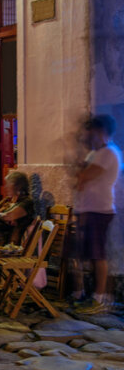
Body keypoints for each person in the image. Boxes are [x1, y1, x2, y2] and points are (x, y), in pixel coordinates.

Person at [72, 115, 122, 314]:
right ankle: (92, 295)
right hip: (88, 209)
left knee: (98, 254)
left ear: (101, 132)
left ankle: (100, 298)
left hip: (99, 210)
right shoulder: (95, 154)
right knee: (91, 255)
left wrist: (81, 173)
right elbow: (79, 182)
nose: (87, 138)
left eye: (90, 133)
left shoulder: (108, 153)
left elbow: (84, 176)